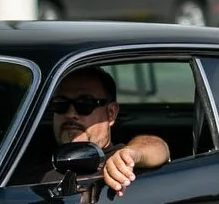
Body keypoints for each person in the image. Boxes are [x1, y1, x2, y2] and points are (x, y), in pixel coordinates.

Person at [40, 66, 169, 195]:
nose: (70, 114)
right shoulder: (32, 158)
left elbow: (157, 146)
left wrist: (131, 155)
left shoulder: (119, 163)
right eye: (60, 104)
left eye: (84, 104)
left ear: (111, 113)